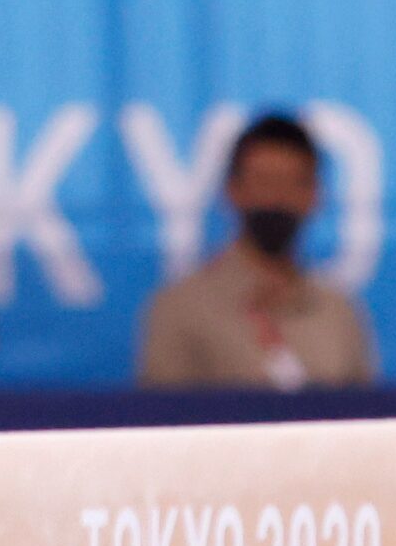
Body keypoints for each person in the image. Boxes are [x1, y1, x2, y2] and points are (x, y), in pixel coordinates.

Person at [138, 111, 378, 390]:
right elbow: (162, 422)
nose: (277, 198)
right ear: (233, 190)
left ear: (315, 195)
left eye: (293, 183)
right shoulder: (181, 308)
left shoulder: (338, 312)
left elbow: (365, 420)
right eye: (264, 182)